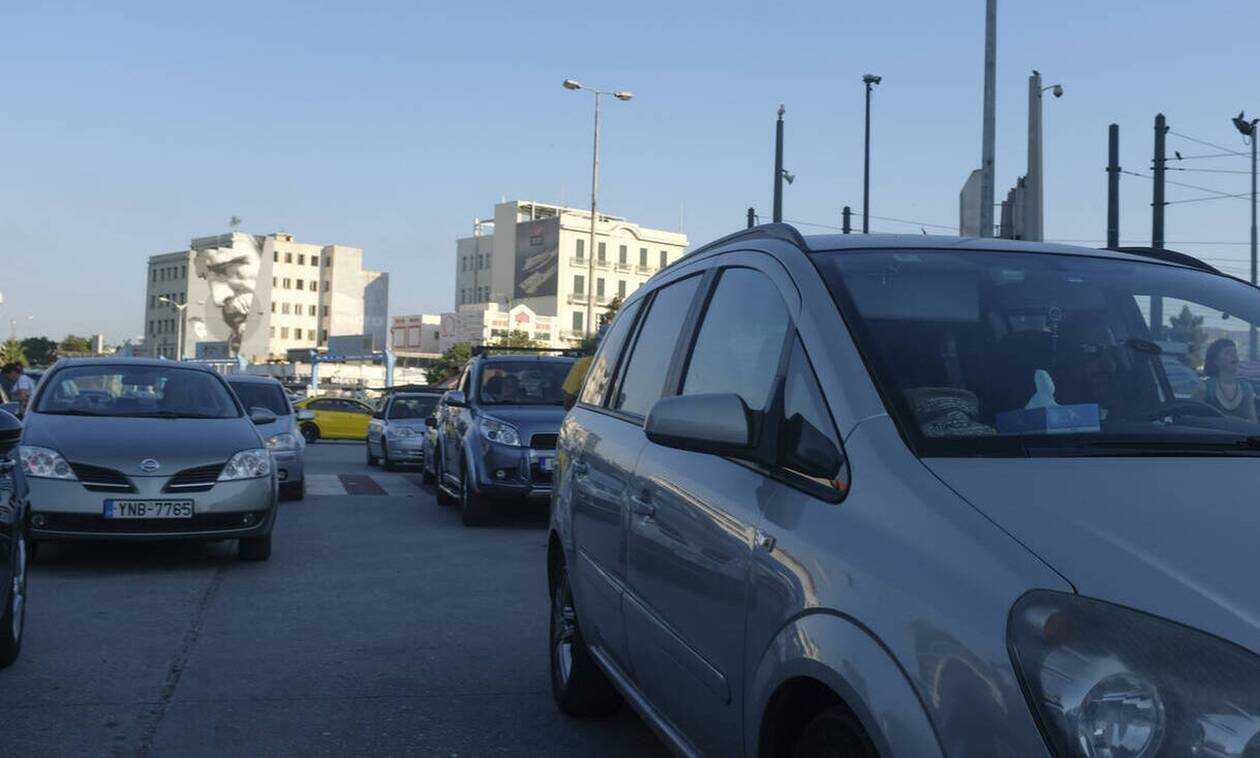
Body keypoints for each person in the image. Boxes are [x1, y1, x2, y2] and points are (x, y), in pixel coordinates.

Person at [1201, 338, 1256, 421]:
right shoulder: (1205, 388)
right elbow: (1193, 418)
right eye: (1227, 352)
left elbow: (1252, 421)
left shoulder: (1246, 388)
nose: (1234, 356)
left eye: (1235, 352)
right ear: (1216, 361)